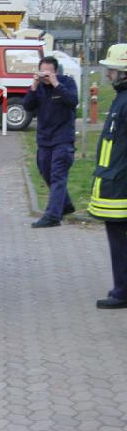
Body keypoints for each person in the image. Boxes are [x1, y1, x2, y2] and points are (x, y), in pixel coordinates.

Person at [88, 44, 127, 309]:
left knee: (119, 240)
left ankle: (122, 292)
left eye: (112, 69)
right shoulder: (121, 99)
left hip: (120, 184)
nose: (108, 74)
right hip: (115, 181)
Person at [23, 56, 78, 228]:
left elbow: (73, 101)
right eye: (42, 72)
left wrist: (56, 84)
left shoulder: (67, 83)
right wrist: (34, 85)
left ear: (56, 71)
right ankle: (65, 205)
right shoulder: (38, 88)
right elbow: (27, 106)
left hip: (63, 139)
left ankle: (53, 215)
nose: (45, 76)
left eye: (49, 72)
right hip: (44, 140)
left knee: (57, 175)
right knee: (46, 172)